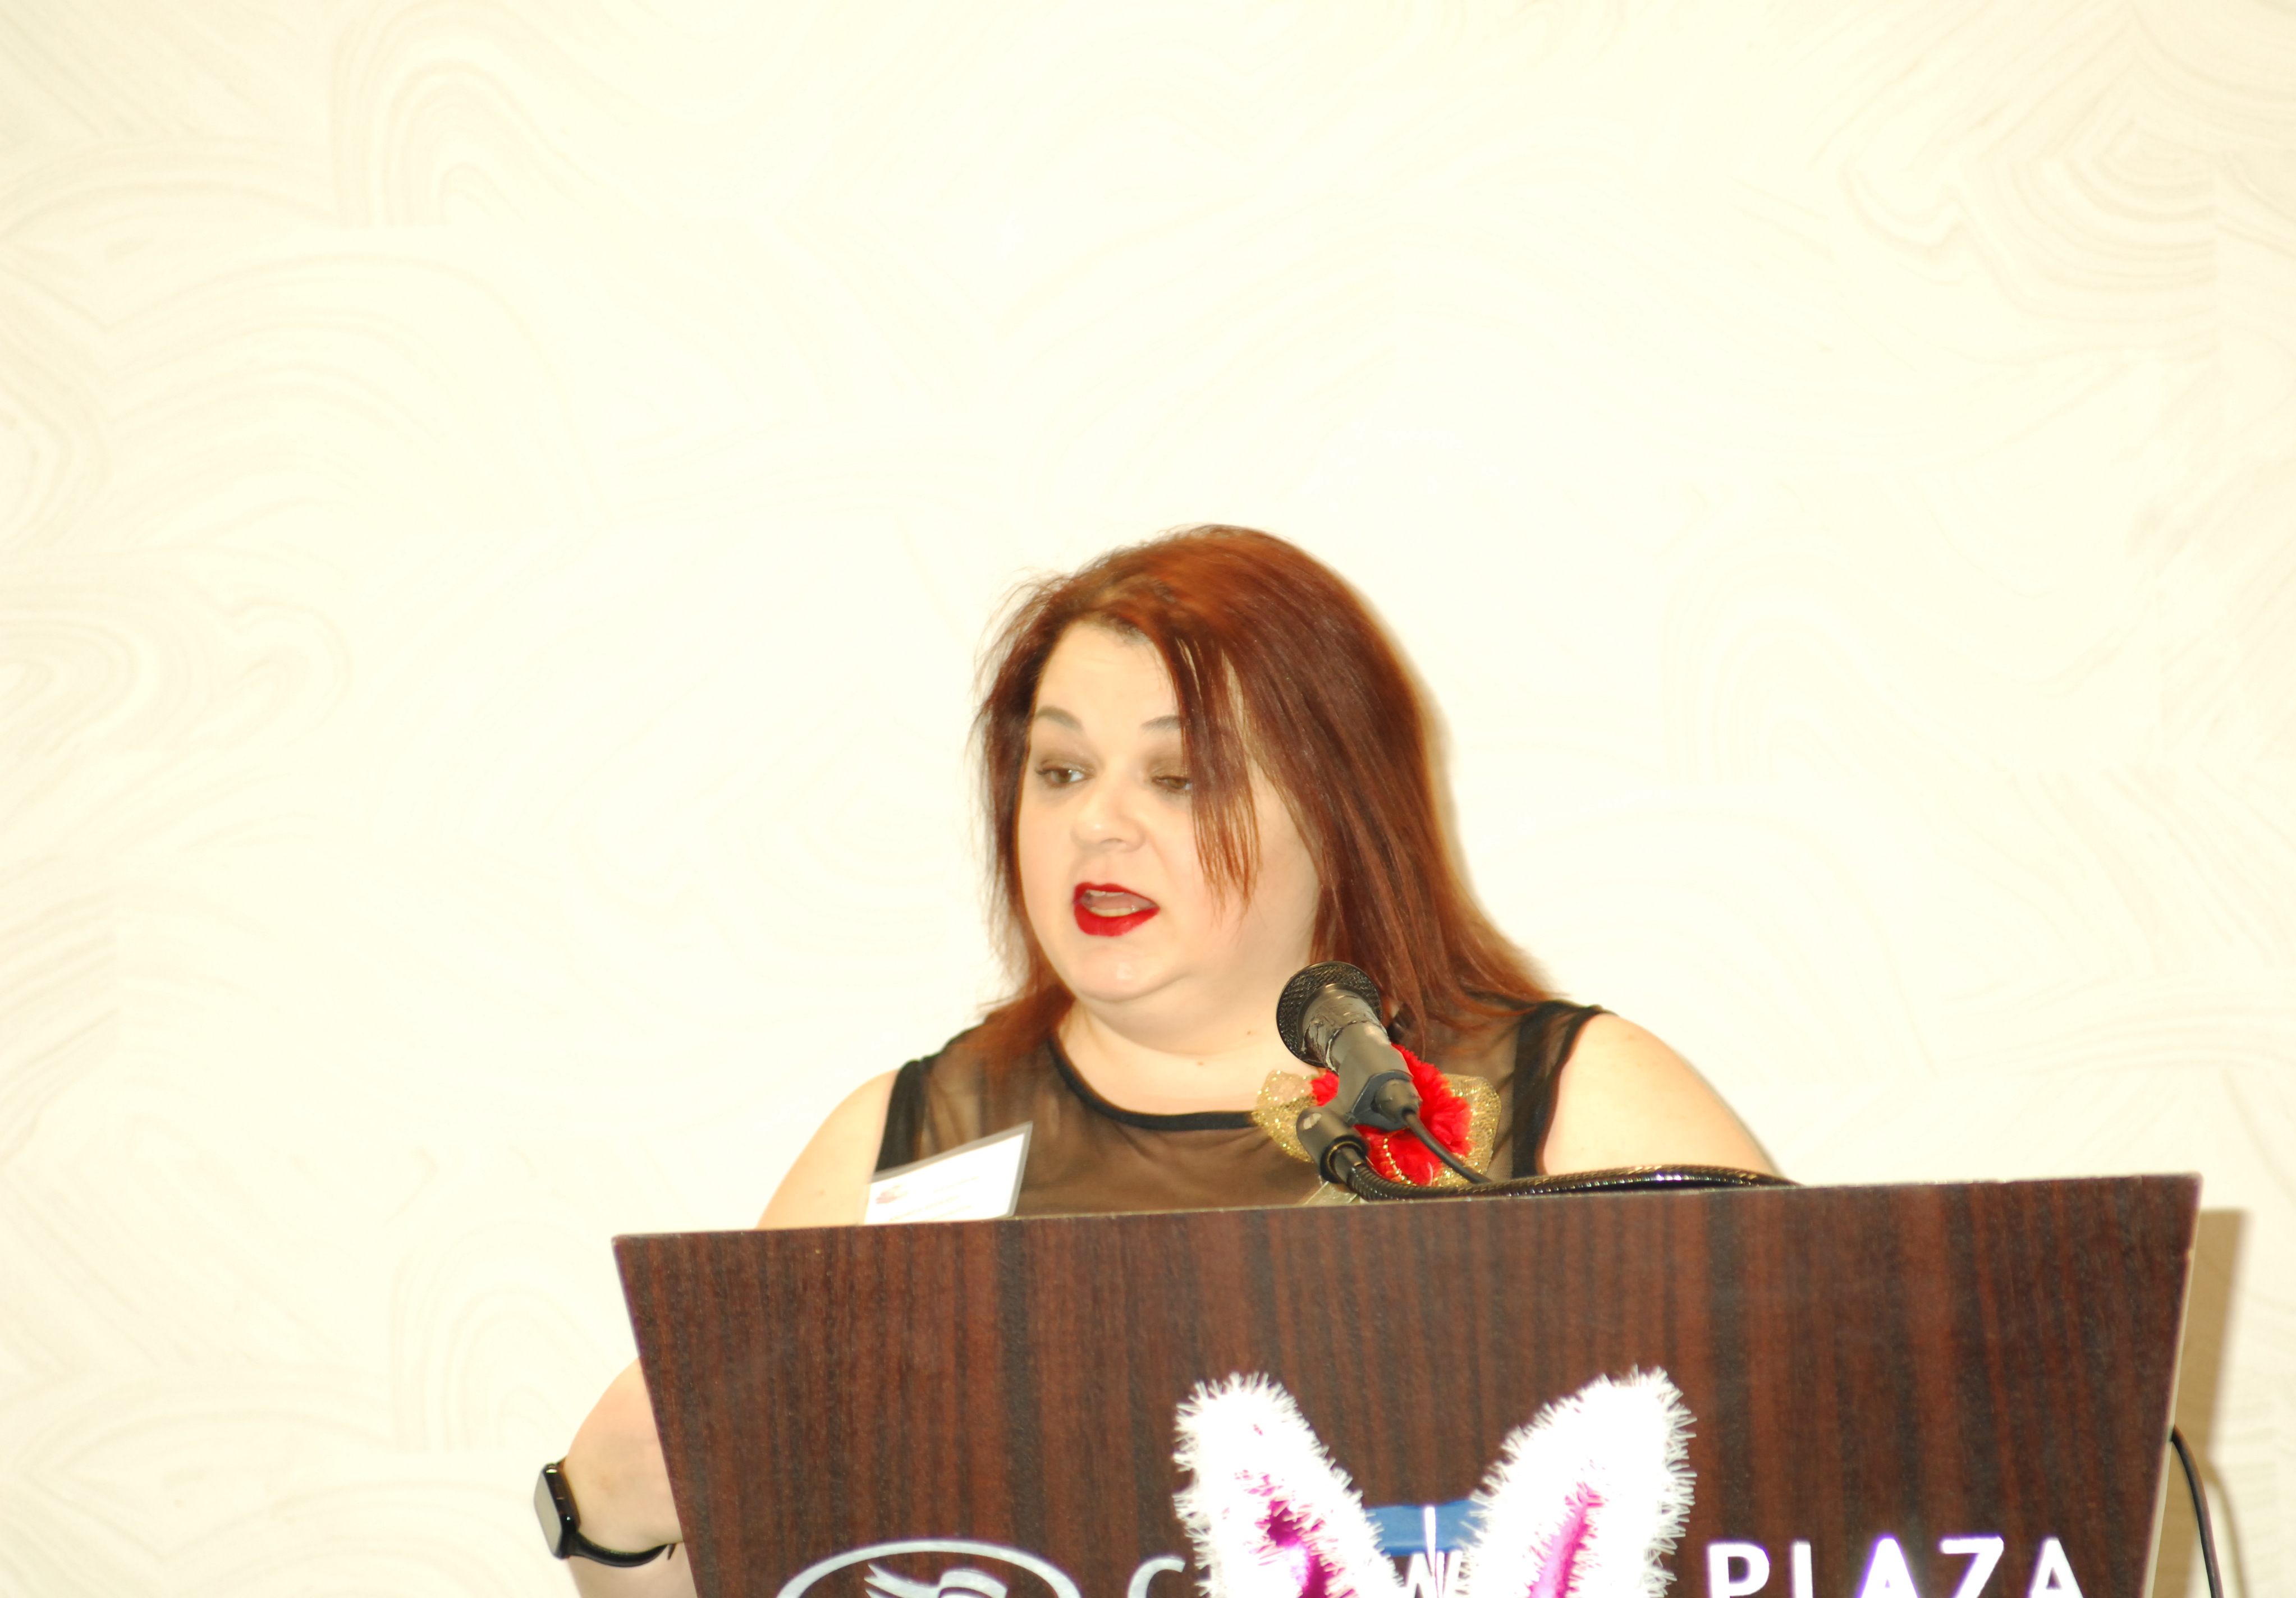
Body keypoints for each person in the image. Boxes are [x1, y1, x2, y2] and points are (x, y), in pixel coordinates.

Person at [546, 526, 1772, 1594]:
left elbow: (1811, 1503)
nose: (1096, 821)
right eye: (1061, 770)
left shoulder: (1571, 1102)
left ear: (1341, 811)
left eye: (1178, 776)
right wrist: (604, 1513)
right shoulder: (904, 1141)